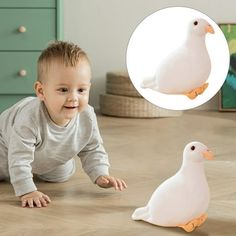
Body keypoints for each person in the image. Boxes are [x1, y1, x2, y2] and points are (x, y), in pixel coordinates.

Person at [0, 41, 127, 208]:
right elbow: (19, 157)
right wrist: (27, 190)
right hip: (6, 145)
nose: (73, 98)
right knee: (8, 169)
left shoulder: (87, 115)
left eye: (81, 90)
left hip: (46, 152)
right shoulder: (28, 118)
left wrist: (100, 174)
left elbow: (92, 148)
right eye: (63, 90)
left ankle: (46, 160)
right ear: (41, 91)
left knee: (61, 175)